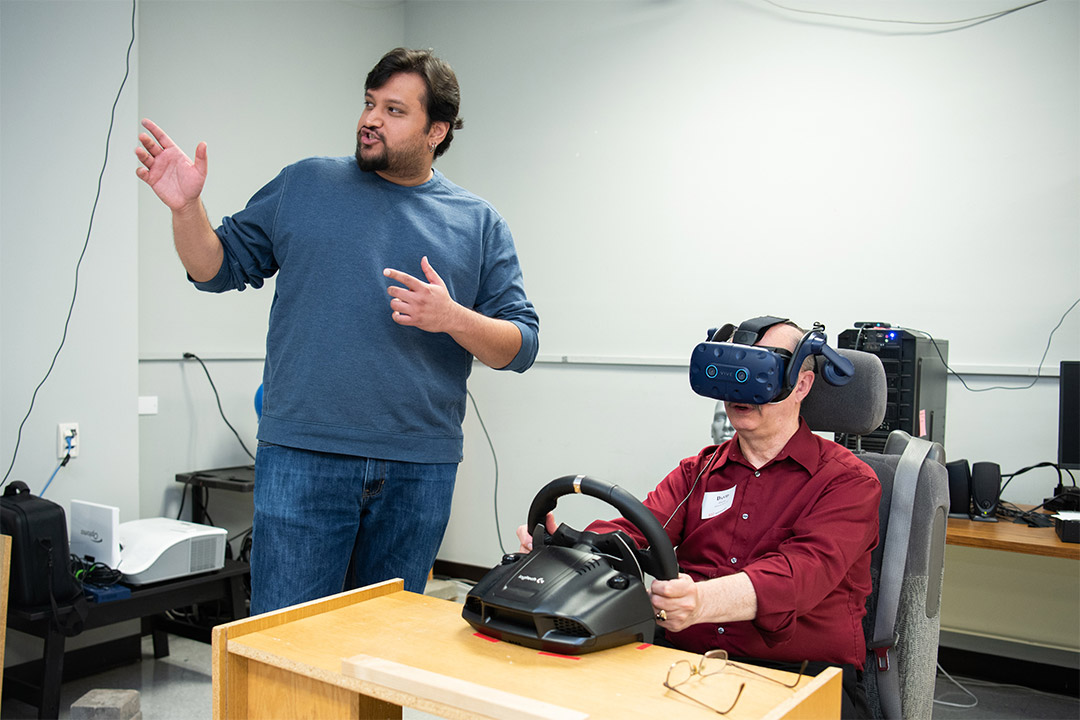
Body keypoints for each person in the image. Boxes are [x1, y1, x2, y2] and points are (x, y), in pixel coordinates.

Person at [138, 47, 539, 615]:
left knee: (379, 653)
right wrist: (186, 208)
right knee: (284, 644)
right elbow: (215, 267)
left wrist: (452, 318)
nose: (371, 118)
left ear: (437, 130)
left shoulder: (477, 221)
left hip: (416, 468)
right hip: (304, 456)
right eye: (369, 103)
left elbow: (521, 346)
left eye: (395, 110)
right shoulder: (305, 185)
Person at [517, 320, 878, 718]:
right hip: (685, 662)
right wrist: (567, 548)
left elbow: (801, 575)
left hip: (798, 676)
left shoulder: (848, 482)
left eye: (760, 375)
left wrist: (702, 602)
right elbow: (636, 533)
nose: (740, 393)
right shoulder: (698, 472)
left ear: (803, 385)